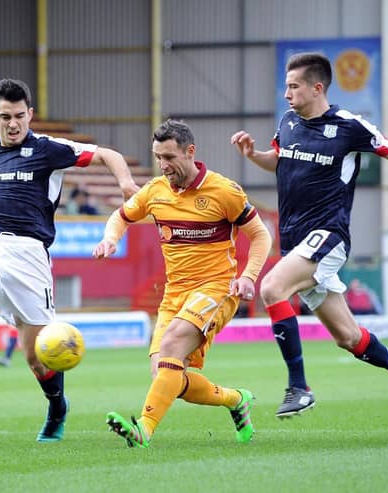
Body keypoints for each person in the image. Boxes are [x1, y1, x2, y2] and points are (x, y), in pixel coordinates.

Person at [0, 78, 139, 442]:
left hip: (30, 256)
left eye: (19, 116)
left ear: (30, 114)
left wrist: (126, 184)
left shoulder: (50, 149)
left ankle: (57, 407)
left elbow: (106, 154)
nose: (13, 123)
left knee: (37, 359)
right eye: (5, 117)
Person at [231, 52, 388, 419]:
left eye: (293, 86)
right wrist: (252, 154)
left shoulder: (350, 126)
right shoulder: (288, 122)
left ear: (317, 87)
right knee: (348, 339)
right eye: (285, 86)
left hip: (328, 235)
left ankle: (299, 387)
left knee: (271, 288)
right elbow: (278, 160)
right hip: (296, 242)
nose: (286, 94)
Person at [93, 119, 272, 448]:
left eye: (170, 157)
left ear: (190, 152)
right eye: (158, 156)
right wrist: (110, 240)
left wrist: (248, 276)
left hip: (216, 289)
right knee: (166, 374)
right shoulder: (155, 191)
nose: (163, 165)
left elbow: (260, 235)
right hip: (174, 295)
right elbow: (120, 216)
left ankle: (143, 429)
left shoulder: (224, 191)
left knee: (173, 345)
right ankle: (236, 400)